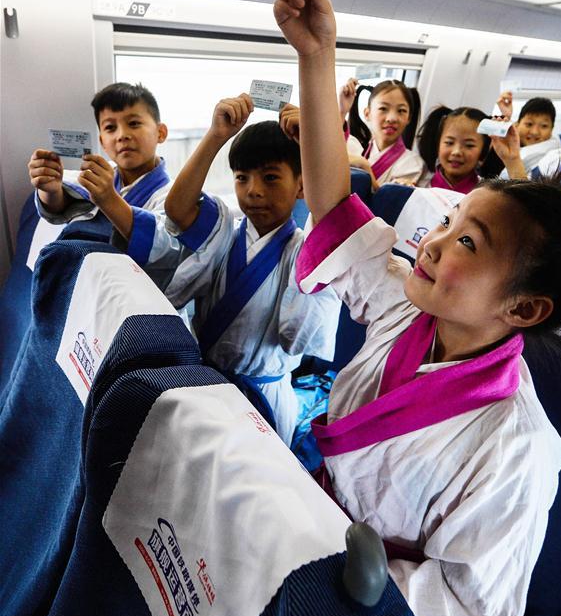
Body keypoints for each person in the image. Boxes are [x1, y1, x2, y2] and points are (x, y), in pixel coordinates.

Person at [274, 0, 561, 616]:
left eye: (468, 244)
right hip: (307, 540)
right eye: (450, 222)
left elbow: (470, 605)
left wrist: (356, 582)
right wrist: (317, 53)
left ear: (524, 307)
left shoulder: (517, 449)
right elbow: (334, 206)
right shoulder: (406, 308)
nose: (431, 241)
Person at [133, 100, 340, 444]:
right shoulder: (224, 230)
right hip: (205, 384)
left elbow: (327, 229)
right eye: (242, 178)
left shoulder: (304, 251)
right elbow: (178, 209)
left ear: (302, 187)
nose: (254, 191)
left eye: (271, 178)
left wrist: (312, 147)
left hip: (264, 397)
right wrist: (216, 136)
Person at [28, 82, 170, 260]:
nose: (122, 135)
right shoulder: (99, 173)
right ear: (102, 142)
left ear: (161, 133)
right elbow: (60, 206)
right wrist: (50, 189)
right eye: (110, 127)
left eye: (134, 123)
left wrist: (109, 199)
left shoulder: (172, 197)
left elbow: (163, 250)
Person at [345, 79, 426, 185]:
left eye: (401, 110)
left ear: (409, 118)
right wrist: (342, 111)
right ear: (367, 113)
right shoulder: (353, 147)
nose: (392, 118)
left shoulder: (413, 164)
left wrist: (365, 167)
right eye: (383, 108)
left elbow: (382, 199)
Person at [416, 106, 492, 193]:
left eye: (469, 145)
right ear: (438, 143)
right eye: (449, 142)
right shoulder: (418, 183)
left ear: (484, 149)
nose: (456, 152)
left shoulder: (486, 194)